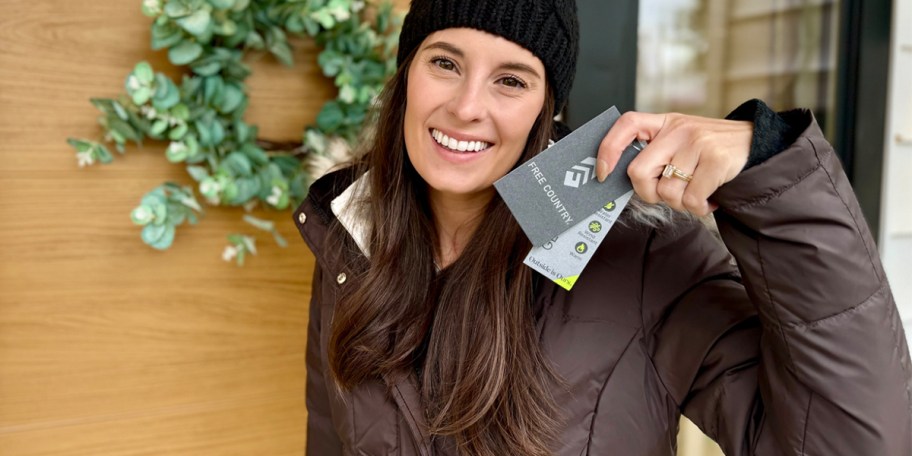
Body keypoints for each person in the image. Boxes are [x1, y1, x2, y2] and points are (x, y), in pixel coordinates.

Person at [293, 0, 912, 454]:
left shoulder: (645, 258)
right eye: (445, 63)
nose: (467, 106)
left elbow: (851, 442)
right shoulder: (352, 239)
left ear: (548, 108)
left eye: (511, 79)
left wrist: (770, 172)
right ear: (407, 77)